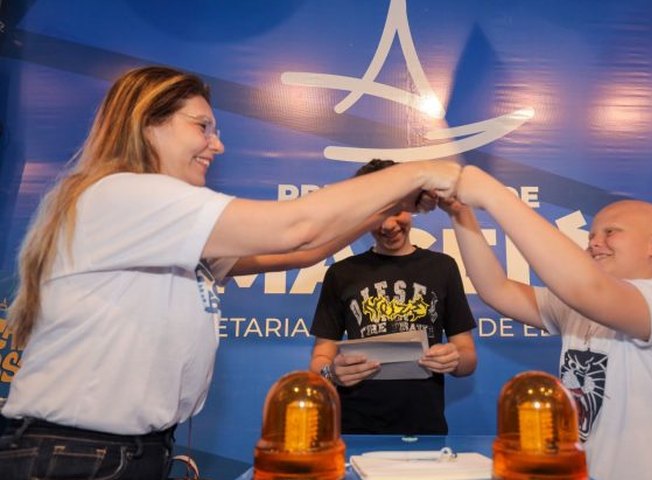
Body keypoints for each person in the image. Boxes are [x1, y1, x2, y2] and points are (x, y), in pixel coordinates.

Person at [0, 66, 461, 480]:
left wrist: (388, 205)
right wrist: (418, 173)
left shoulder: (159, 221)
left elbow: (306, 250)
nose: (217, 144)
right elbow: (297, 226)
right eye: (202, 127)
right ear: (148, 124)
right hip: (78, 455)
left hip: (121, 452)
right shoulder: (125, 195)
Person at [442, 165, 652, 479]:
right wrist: (461, 213)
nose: (594, 242)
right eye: (592, 235)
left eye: (611, 232)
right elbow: (497, 289)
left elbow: (589, 289)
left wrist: (491, 193)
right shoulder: (579, 308)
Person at [309, 159, 477, 435]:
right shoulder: (341, 273)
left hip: (425, 427)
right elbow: (320, 357)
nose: (388, 225)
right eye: (378, 214)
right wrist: (331, 373)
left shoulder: (443, 268)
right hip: (355, 429)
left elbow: (468, 356)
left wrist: (455, 359)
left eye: (396, 210)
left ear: (411, 205)